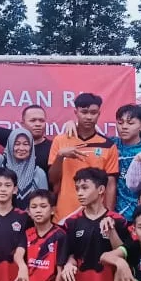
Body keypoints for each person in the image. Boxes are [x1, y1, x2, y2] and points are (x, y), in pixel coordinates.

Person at [58, 167, 130, 281]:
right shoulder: (72, 222)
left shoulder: (118, 221)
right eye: (77, 188)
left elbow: (124, 254)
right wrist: (69, 263)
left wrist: (111, 232)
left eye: (84, 188)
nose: (80, 193)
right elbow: (68, 253)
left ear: (100, 190)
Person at [48, 93, 119, 221]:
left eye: (93, 113)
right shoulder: (60, 140)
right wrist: (60, 156)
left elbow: (110, 184)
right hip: (65, 213)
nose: (89, 117)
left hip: (96, 215)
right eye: (84, 112)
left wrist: (109, 215)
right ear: (76, 112)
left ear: (99, 114)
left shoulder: (108, 145)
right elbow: (52, 179)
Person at [0, 127, 48, 209]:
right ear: (10, 144)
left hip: (28, 217)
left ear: (31, 147)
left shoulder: (38, 173)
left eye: (26, 144)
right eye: (17, 144)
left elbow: (43, 203)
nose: (21, 148)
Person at [0, 105, 53, 175]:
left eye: (41, 121)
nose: (38, 124)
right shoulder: (12, 138)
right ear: (23, 124)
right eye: (33, 120)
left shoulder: (53, 147)